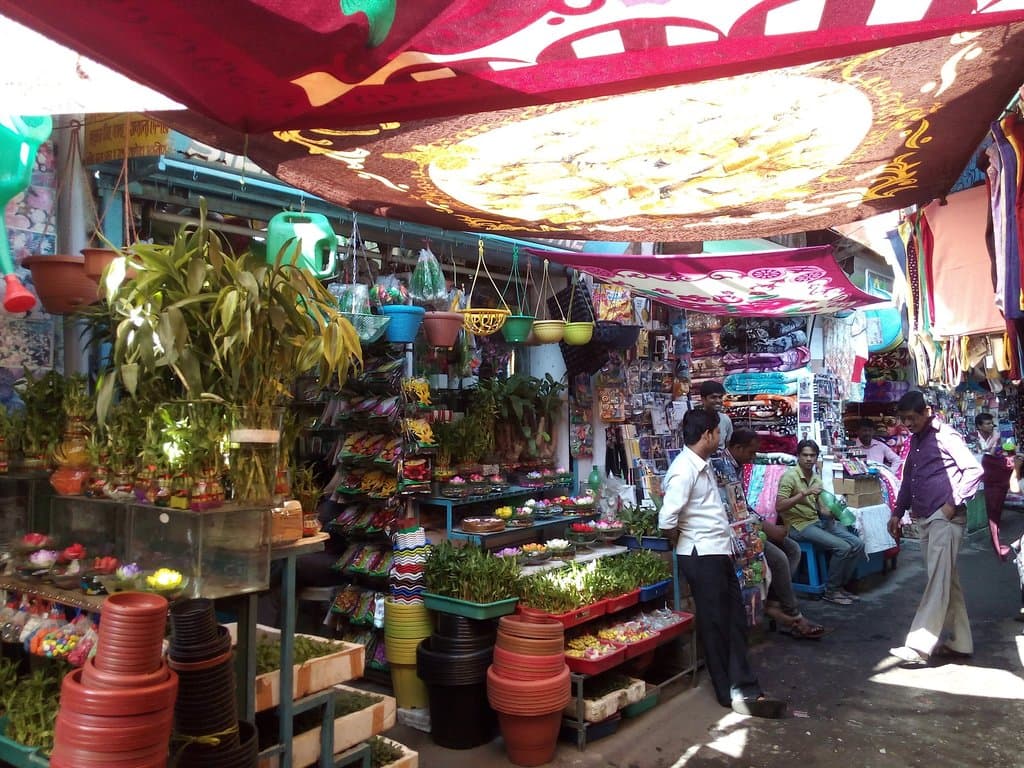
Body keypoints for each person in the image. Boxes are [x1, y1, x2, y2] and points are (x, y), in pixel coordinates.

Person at [659, 408, 785, 718]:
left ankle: (742, 685)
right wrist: (685, 539)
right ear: (707, 435)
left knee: (733, 620)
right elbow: (667, 519)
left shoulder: (700, 465)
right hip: (701, 554)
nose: (721, 437)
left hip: (716, 551)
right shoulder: (683, 470)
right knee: (716, 623)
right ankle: (729, 691)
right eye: (717, 432)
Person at [887, 390, 982, 666]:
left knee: (938, 581)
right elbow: (909, 479)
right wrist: (897, 512)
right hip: (926, 517)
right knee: (946, 581)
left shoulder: (946, 436)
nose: (908, 423)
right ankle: (961, 643)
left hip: (945, 518)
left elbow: (974, 471)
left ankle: (918, 646)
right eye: (904, 419)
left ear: (926, 412)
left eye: (911, 418)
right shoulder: (916, 440)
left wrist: (951, 505)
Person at [713, 429, 825, 639]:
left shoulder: (736, 466)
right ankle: (794, 615)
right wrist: (765, 526)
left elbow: (743, 505)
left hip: (747, 525)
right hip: (733, 533)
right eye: (751, 452)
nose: (753, 457)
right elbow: (731, 510)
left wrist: (764, 524)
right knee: (780, 558)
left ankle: (774, 602)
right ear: (737, 448)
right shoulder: (721, 468)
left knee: (793, 550)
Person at [775, 439, 865, 605]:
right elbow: (779, 506)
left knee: (858, 544)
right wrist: (804, 493)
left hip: (815, 521)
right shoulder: (790, 477)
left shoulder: (816, 479)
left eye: (812, 455)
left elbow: (823, 510)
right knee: (843, 547)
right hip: (797, 526)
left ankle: (840, 586)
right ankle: (831, 591)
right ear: (798, 456)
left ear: (817, 457)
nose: (809, 459)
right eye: (805, 455)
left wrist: (836, 510)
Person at [973, 412, 1015, 560]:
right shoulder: (973, 438)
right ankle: (996, 545)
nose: (991, 425)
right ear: (979, 426)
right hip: (985, 480)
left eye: (991, 423)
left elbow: (1010, 453)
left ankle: (996, 543)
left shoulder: (999, 436)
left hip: (998, 480)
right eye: (987, 423)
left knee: (996, 512)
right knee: (992, 513)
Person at [699, 380, 732, 452]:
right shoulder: (695, 420)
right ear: (703, 399)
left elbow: (728, 445)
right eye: (713, 397)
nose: (718, 401)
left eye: (720, 397)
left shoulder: (725, 419)